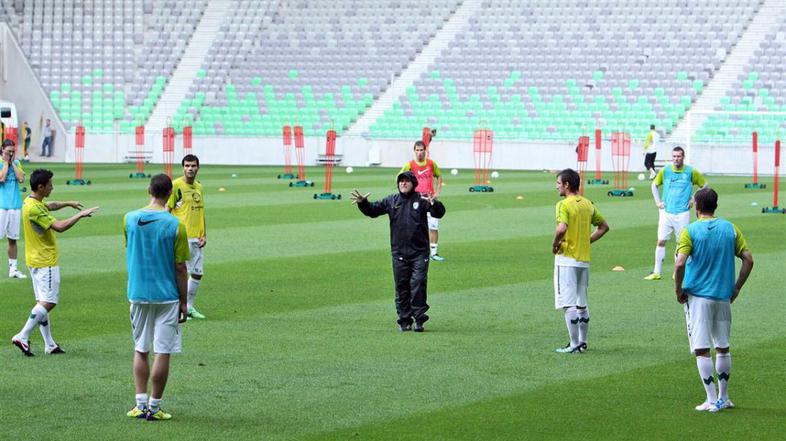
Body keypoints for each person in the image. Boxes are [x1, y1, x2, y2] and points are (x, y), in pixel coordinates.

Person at [674, 187, 753, 412]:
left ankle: (710, 398)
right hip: (723, 297)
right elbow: (748, 259)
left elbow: (680, 264)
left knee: (701, 349)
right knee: (723, 347)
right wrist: (736, 287)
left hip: (698, 297)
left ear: (697, 207)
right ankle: (724, 397)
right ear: (715, 206)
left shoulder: (690, 231)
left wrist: (678, 290)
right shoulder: (731, 229)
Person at [10, 169, 98, 356]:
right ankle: (22, 336)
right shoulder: (35, 208)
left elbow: (49, 205)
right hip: (45, 261)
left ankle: (49, 344)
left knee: (41, 303)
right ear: (40, 187)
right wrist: (80, 215)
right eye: (50, 184)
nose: (52, 187)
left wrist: (68, 203)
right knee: (48, 302)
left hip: (34, 259)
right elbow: (59, 227)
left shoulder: (31, 201)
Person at [125, 174, 189, 421]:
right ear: (170, 194)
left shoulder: (129, 219)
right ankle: (154, 407)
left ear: (148, 190)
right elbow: (180, 267)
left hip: (138, 292)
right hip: (167, 295)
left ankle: (139, 404)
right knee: (163, 351)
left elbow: (130, 249)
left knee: (141, 349)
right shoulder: (176, 225)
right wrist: (184, 302)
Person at [350, 171, 446, 332]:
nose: (403, 183)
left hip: (419, 253)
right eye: (401, 181)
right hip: (399, 253)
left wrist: (434, 203)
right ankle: (404, 320)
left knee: (418, 285)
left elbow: (439, 213)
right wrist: (363, 203)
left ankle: (419, 319)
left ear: (413, 183)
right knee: (401, 287)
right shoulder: (391, 200)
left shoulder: (421, 200)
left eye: (406, 181)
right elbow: (373, 211)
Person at [551, 169, 609, 353]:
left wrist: (555, 244)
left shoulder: (563, 204)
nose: (556, 186)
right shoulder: (588, 204)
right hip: (584, 260)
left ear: (567, 185)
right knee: (581, 303)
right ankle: (583, 342)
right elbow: (604, 227)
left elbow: (561, 228)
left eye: (558, 183)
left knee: (568, 305)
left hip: (567, 259)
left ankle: (574, 344)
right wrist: (587, 241)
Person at [645, 146, 707, 281]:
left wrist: (693, 199)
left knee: (681, 243)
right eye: (674, 156)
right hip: (666, 212)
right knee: (661, 241)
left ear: (683, 157)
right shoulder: (665, 171)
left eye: (678, 156)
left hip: (682, 213)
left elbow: (704, 186)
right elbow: (654, 185)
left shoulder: (690, 172)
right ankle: (657, 272)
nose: (676, 159)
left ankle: (676, 272)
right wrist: (658, 202)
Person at [167, 154, 207, 319]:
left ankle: (189, 307)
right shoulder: (176, 186)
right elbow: (167, 210)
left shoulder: (199, 187)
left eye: (193, 166)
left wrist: (204, 233)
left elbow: (201, 211)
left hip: (197, 239)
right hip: (181, 237)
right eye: (187, 166)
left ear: (198, 167)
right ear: (183, 167)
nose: (190, 169)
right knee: (180, 273)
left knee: (197, 273)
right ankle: (177, 308)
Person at [399, 140, 445, 261]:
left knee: (434, 226)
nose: (419, 152)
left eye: (421, 150)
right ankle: (414, 251)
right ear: (414, 151)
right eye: (417, 150)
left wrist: (437, 192)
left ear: (425, 151)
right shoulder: (409, 165)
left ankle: (434, 253)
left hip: (429, 199)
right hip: (416, 199)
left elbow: (439, 176)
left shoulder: (431, 164)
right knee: (415, 226)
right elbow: (400, 178)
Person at [0, 139, 27, 278]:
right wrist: (5, 163)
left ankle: (13, 269)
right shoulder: (0, 163)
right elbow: (2, 178)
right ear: (2, 149)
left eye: (12, 151)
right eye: (8, 151)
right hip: (1, 206)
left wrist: (12, 163)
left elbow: (21, 179)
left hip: (15, 205)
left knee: (13, 239)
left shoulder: (16, 163)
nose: (10, 154)